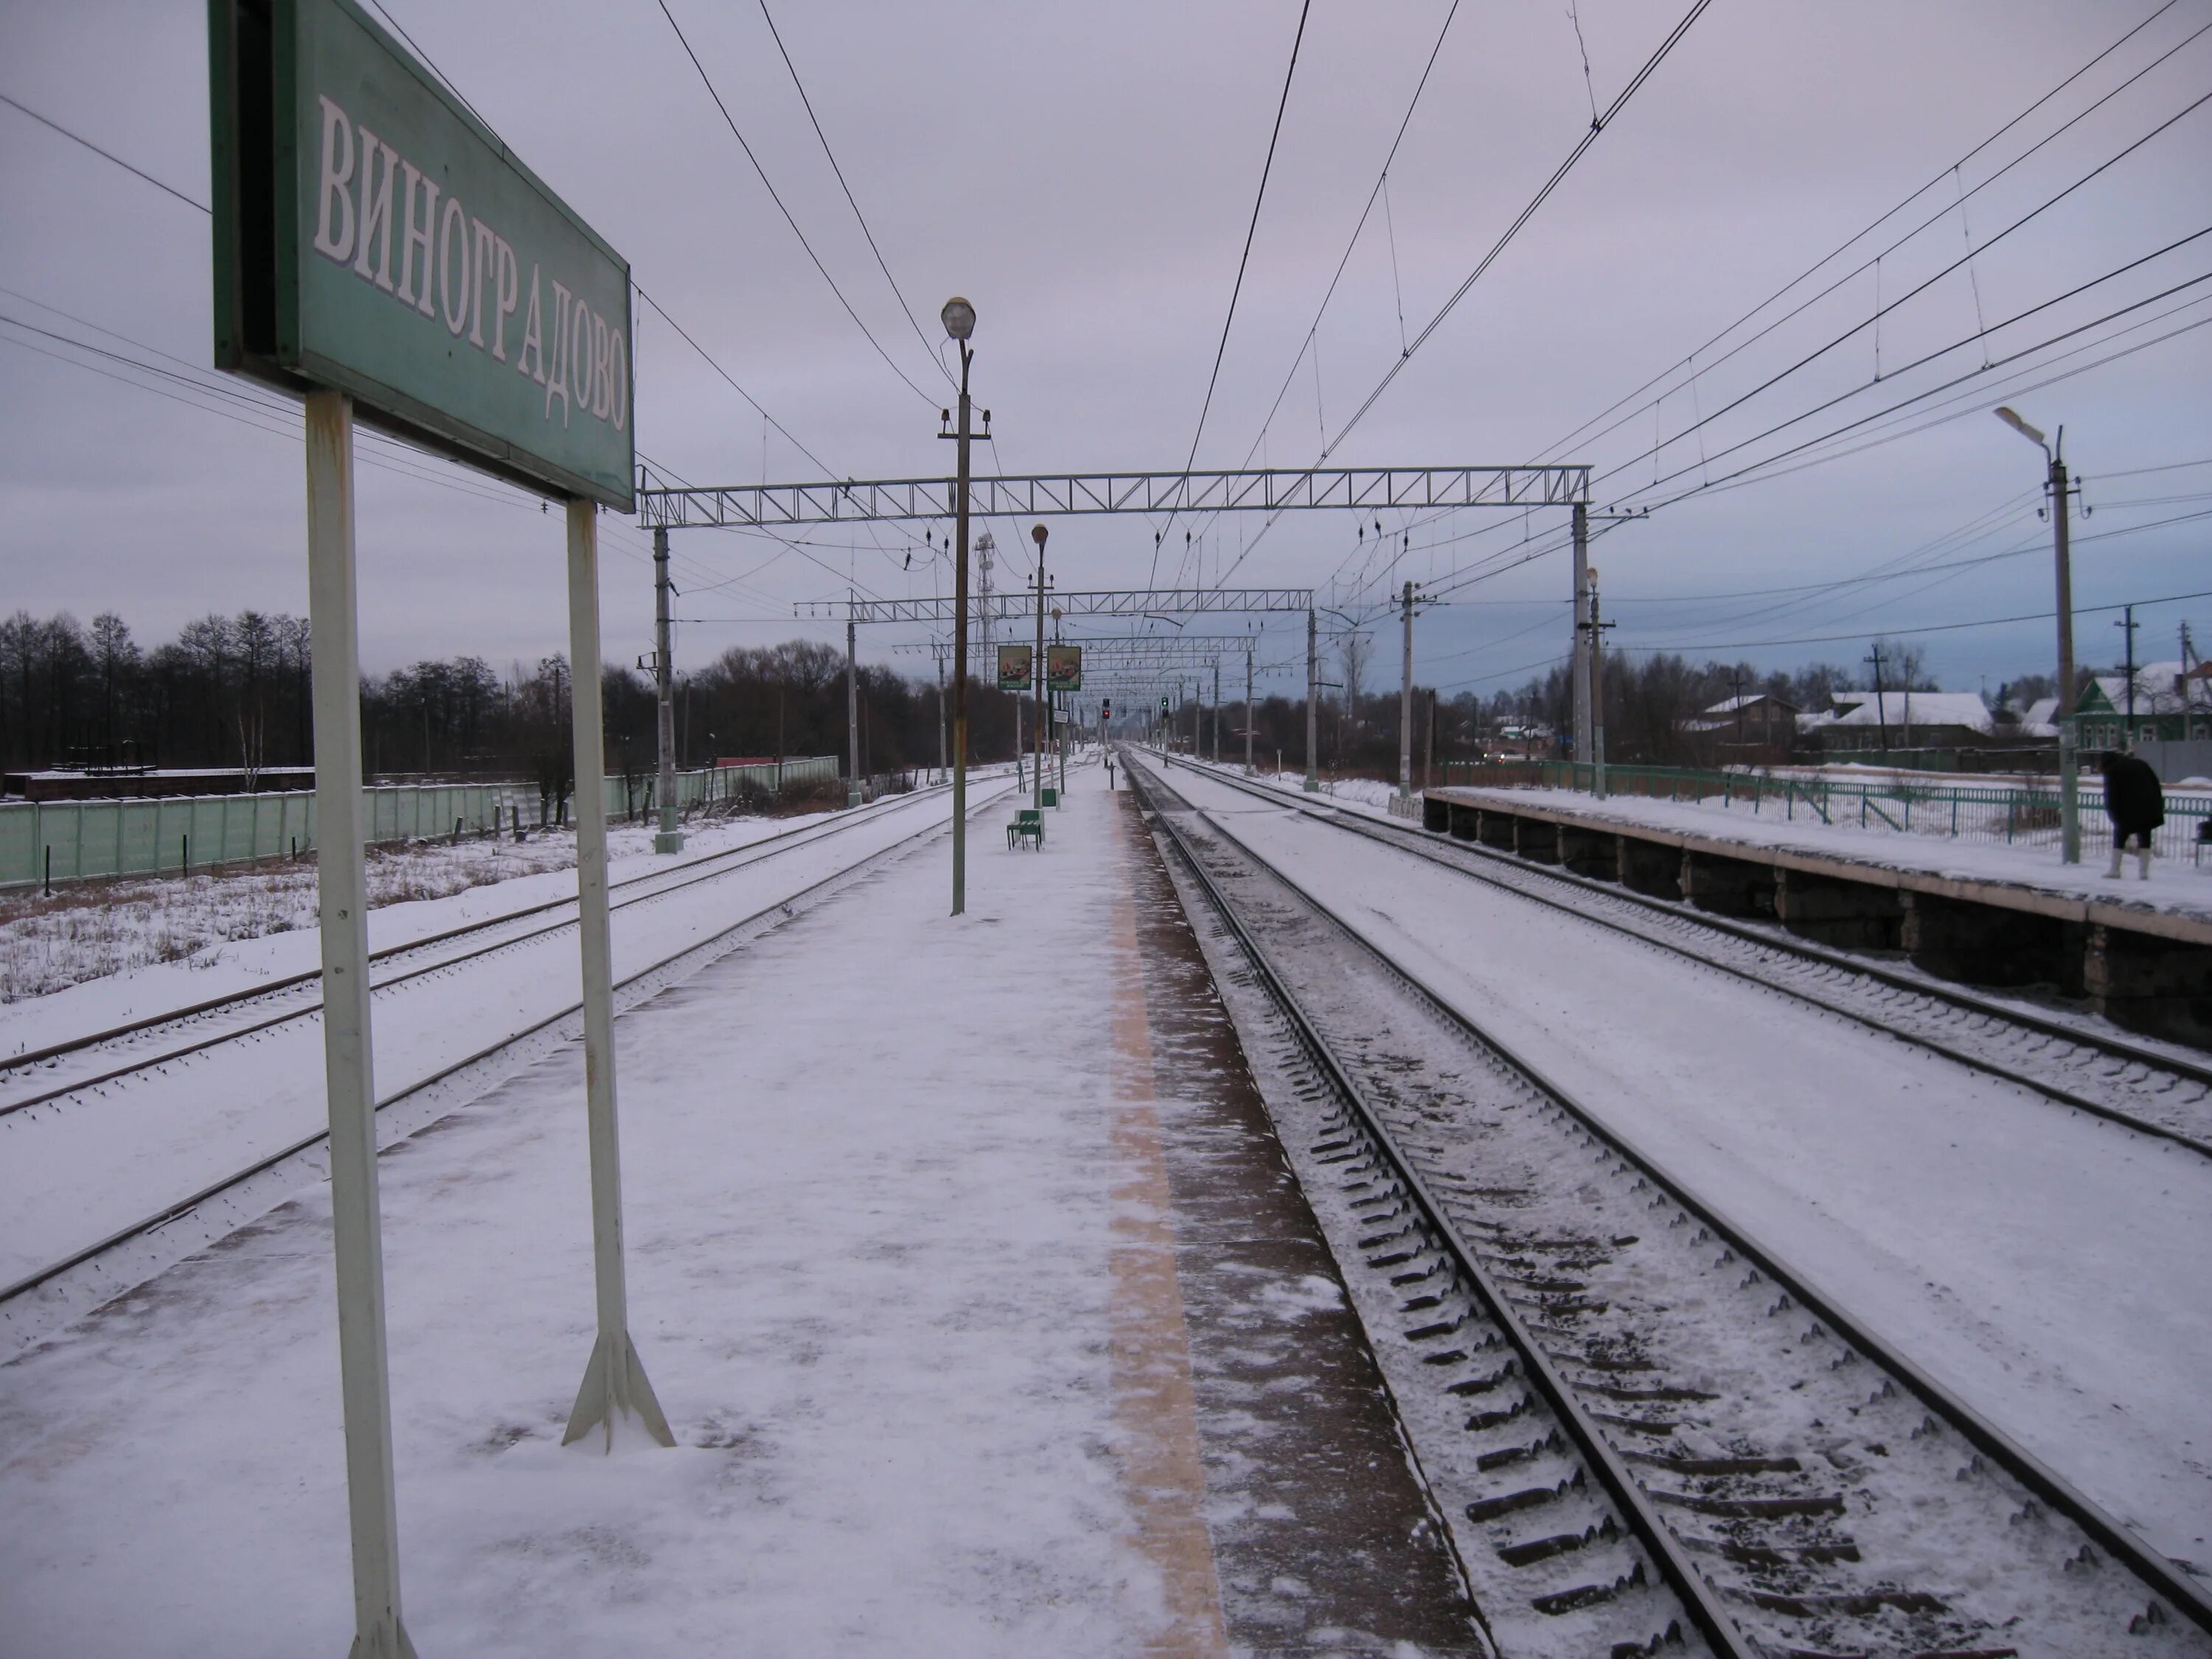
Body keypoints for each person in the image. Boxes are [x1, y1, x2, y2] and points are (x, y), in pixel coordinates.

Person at [2098, 748, 2164, 880]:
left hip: (2126, 811)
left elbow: (2111, 795)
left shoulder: (2112, 770)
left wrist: (2113, 814)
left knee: (2119, 838)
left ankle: (2115, 870)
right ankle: (2144, 873)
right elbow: (2155, 785)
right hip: (2148, 808)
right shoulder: (2141, 764)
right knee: (2145, 837)